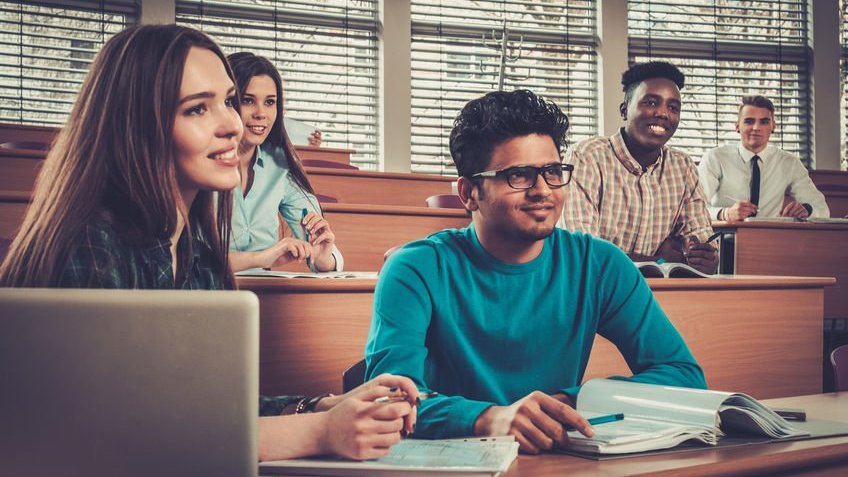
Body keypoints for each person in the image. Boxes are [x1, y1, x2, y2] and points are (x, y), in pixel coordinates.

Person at [0, 24, 414, 462]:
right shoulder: (90, 244)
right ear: (137, 125)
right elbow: (112, 438)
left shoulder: (197, 255)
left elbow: (205, 409)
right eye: (198, 109)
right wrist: (318, 432)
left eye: (228, 101)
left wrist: (323, 405)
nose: (234, 125)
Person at [363, 89, 706, 454]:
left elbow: (684, 376)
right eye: (519, 175)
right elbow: (388, 403)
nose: (543, 190)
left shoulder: (601, 264)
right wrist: (491, 418)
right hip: (453, 460)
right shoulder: (415, 268)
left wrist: (568, 401)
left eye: (553, 171)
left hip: (555, 460)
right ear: (469, 193)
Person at [560, 61, 718, 274]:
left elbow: (701, 242)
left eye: (673, 107)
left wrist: (705, 257)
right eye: (651, 103)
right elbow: (584, 253)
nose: (663, 113)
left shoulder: (683, 167)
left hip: (662, 295)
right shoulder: (586, 157)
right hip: (596, 293)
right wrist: (660, 260)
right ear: (624, 111)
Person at [226, 52, 343, 273]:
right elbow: (185, 261)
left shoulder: (279, 166)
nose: (261, 113)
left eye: (270, 102)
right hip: (205, 295)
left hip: (265, 296)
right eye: (248, 100)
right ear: (227, 103)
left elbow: (325, 254)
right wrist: (262, 258)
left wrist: (322, 257)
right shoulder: (198, 165)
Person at [698, 95, 830, 221]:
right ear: (737, 126)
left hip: (771, 238)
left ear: (773, 126)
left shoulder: (789, 163)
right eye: (749, 121)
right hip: (725, 237)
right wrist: (724, 213)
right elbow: (693, 209)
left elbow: (822, 209)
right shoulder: (715, 158)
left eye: (764, 122)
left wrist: (807, 209)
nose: (756, 128)